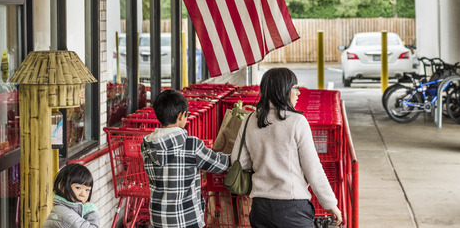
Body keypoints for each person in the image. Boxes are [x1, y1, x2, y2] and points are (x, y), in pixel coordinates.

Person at [232, 67, 343, 228]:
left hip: (259, 207)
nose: (298, 93)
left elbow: (239, 161)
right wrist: (331, 204)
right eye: (295, 88)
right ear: (283, 90)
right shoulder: (297, 122)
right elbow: (313, 169)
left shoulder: (250, 120)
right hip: (291, 208)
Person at [141, 89, 231, 228]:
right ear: (181, 116)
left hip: (159, 219)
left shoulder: (147, 145)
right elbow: (220, 164)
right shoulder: (191, 145)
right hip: (187, 219)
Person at [43, 163, 99, 228]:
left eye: (87, 190)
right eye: (78, 188)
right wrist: (90, 210)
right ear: (62, 187)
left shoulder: (63, 209)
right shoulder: (67, 216)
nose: (83, 194)